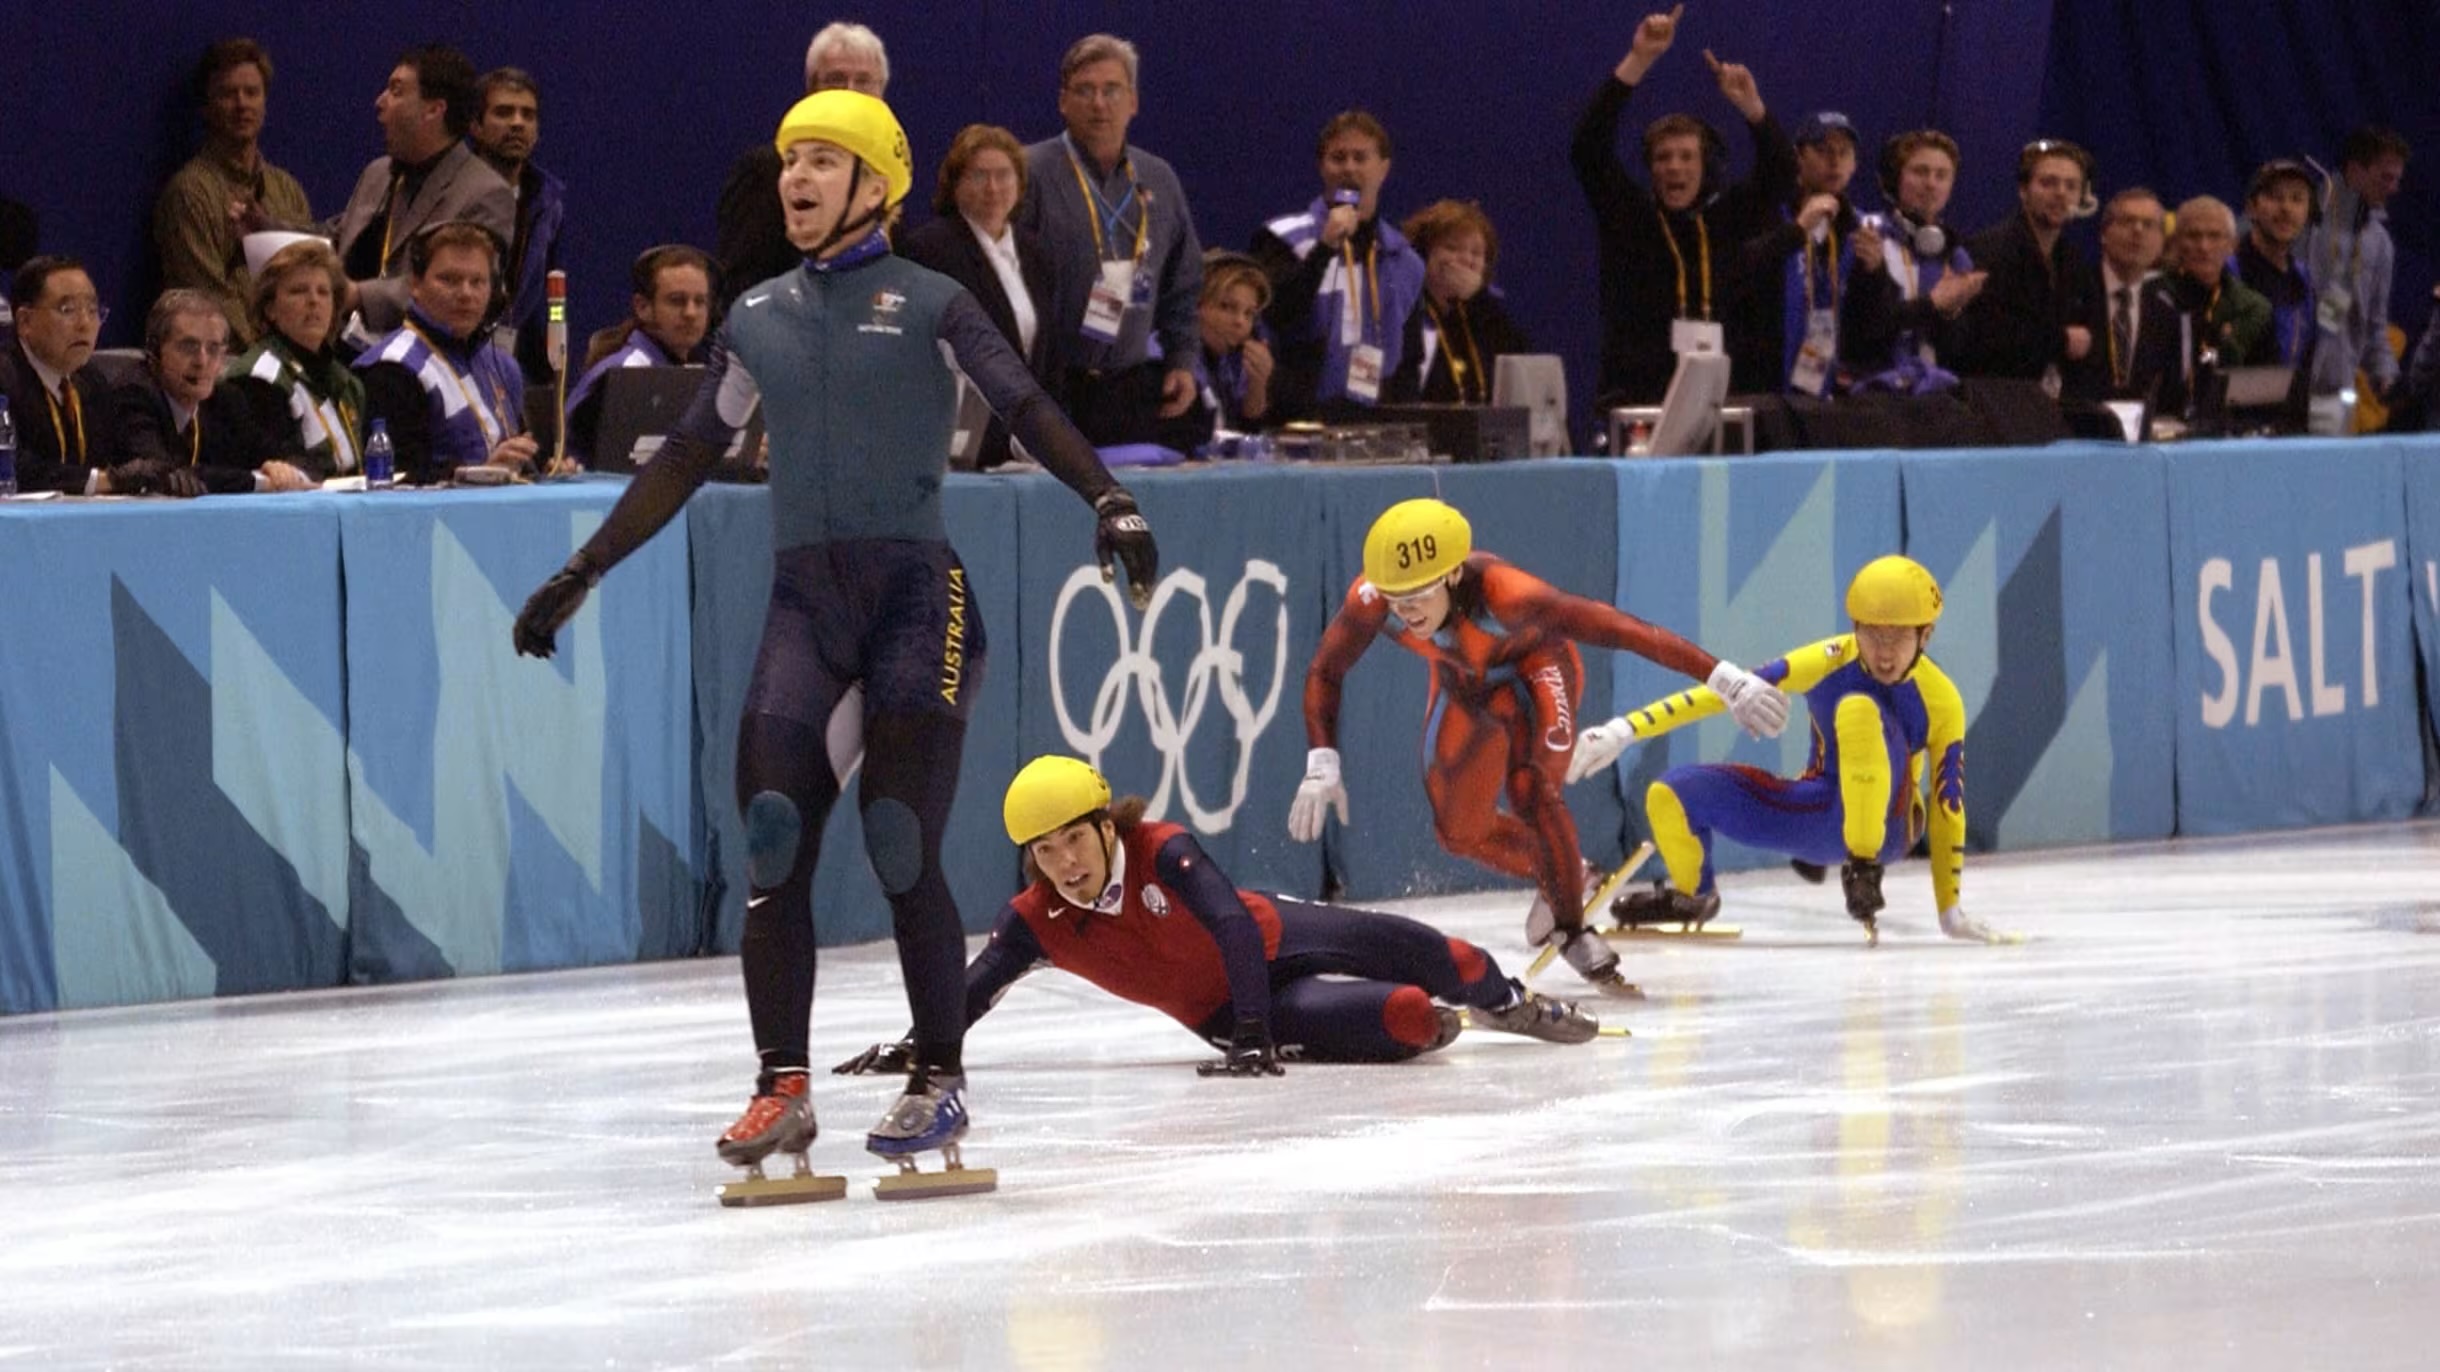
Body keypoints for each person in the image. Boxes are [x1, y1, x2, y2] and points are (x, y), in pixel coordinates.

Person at [509, 91, 1159, 1190]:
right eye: (787, 162)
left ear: (877, 185)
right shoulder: (756, 312)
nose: (794, 180)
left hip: (917, 600)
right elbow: (680, 457)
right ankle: (783, 1085)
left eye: (821, 160)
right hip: (807, 605)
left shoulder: (934, 300)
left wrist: (1110, 500)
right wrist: (585, 566)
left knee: (898, 835)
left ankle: (939, 1070)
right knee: (772, 839)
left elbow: (1026, 402)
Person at [1288, 497, 1789, 998]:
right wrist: (1322, 760)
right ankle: (1572, 871)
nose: (1406, 612)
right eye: (1396, 599)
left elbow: (1623, 630)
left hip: (1536, 675)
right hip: (1464, 687)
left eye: (1418, 594)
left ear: (1455, 574)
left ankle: (1571, 927)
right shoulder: (1372, 599)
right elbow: (1325, 671)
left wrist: (1726, 679)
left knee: (1530, 789)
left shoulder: (1511, 597)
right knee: (1459, 832)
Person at [835, 756, 1599, 1084]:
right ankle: (1448, 1019)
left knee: (1454, 959)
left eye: (1073, 838)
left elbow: (1233, 926)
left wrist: (1259, 1038)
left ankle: (1510, 1004)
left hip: (1275, 938)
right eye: (1044, 851)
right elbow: (974, 989)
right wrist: (920, 1048)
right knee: (1405, 1019)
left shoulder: (1161, 847)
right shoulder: (1035, 919)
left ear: (1106, 826)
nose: (1064, 863)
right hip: (1227, 1012)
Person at [1566, 556, 2001, 946]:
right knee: (1671, 793)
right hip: (1815, 817)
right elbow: (1724, 691)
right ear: (1854, 628)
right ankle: (1692, 896)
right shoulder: (1828, 660)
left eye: (1898, 637)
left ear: (1926, 635)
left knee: (1858, 710)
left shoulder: (1941, 700)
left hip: (1889, 827)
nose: (1884, 653)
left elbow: (1948, 805)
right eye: (1872, 633)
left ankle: (1864, 865)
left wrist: (1950, 910)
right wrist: (1625, 729)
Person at [1570, 6, 1796, 404]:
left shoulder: (1725, 219)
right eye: (1663, 157)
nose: (1674, 167)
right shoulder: (1630, 216)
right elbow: (1588, 148)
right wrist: (1639, 60)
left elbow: (1780, 173)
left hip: (1719, 398)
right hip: (1638, 397)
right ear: (1651, 167)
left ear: (1704, 165)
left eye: (1686, 157)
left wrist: (1752, 108)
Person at [1017, 33, 1206, 445]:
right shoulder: (1028, 172)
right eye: (1084, 90)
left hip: (1128, 387)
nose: (1099, 104)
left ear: (1133, 101)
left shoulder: (1159, 178)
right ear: (1063, 101)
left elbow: (1183, 285)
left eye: (1111, 90)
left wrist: (1182, 360)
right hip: (1051, 385)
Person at [898, 124, 1058, 469]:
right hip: (963, 440)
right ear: (955, 184)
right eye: (979, 176)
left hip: (1028, 443)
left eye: (1004, 175)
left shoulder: (1036, 253)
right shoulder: (931, 249)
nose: (993, 188)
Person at [328, 46, 515, 336]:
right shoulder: (378, 173)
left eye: (396, 91)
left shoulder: (486, 194)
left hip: (423, 359)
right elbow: (336, 236)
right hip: (341, 349)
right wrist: (267, 229)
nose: (380, 102)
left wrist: (358, 295)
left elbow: (455, 285)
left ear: (434, 109)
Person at [1251, 111, 1425, 421]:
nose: (1349, 168)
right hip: (1297, 423)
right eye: (1338, 157)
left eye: (1361, 158)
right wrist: (1325, 248)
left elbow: (1410, 360)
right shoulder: (1284, 239)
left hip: (1377, 430)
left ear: (1383, 169)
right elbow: (1276, 315)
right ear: (1322, 167)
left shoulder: (1404, 260)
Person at [714, 20, 889, 311]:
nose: (850, 91)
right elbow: (742, 289)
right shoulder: (768, 170)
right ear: (812, 90)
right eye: (836, 79)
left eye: (864, 81)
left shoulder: (886, 172)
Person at [153, 39, 313, 346]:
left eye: (252, 93)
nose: (242, 105)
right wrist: (266, 359)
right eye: (228, 94)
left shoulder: (288, 191)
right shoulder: (190, 194)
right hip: (225, 363)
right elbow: (208, 299)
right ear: (206, 106)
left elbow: (309, 281)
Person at [354, 221, 533, 483]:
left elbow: (522, 463)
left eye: (477, 282)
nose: (465, 294)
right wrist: (479, 475)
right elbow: (396, 479)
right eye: (449, 280)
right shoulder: (392, 368)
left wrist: (552, 467)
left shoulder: (502, 365)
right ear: (415, 284)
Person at [113, 288, 313, 495]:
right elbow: (162, 473)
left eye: (214, 348)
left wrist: (286, 471)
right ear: (155, 351)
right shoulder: (135, 395)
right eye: (188, 347)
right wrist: (260, 481)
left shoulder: (226, 401)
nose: (202, 361)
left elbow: (292, 457)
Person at [1840, 130, 1984, 390]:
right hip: (1869, 390)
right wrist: (1933, 305)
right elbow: (1864, 330)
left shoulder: (1955, 255)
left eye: (1942, 175)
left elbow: (1957, 351)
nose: (1931, 184)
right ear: (1894, 180)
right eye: (1920, 172)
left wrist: (1950, 313)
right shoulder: (1867, 235)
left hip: (1930, 393)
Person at [1736, 110, 1862, 396]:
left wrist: (1877, 271)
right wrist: (1798, 229)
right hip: (1764, 385)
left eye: (1844, 152)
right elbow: (1739, 270)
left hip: (1827, 387)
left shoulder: (1859, 230)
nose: (1835, 161)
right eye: (1822, 150)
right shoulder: (1765, 215)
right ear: (1798, 157)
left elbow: (1871, 319)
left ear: (1854, 164)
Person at [1954, 139, 2097, 389]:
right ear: (2023, 190)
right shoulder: (1989, 251)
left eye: (2071, 186)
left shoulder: (2072, 260)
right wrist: (2061, 341)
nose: (2061, 193)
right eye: (2048, 183)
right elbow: (1985, 336)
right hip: (1995, 400)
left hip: (2044, 402)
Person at [559, 245, 716, 469]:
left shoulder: (697, 371)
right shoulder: (627, 373)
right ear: (643, 307)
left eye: (700, 302)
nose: (691, 313)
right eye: (676, 300)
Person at [228, 237, 369, 480]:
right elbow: (280, 469)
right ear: (270, 309)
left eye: (323, 292)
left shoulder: (347, 382)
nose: (314, 301)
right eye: (298, 291)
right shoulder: (259, 378)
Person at [2302, 125, 2410, 431]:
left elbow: (2375, 324)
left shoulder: (2380, 244)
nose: (2393, 188)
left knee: (2331, 473)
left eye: (2397, 179)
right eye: (2385, 177)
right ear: (2354, 170)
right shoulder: (2307, 220)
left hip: (2337, 391)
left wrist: (2386, 376)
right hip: (2287, 385)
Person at [467, 67, 568, 387]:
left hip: (516, 364)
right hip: (458, 354)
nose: (517, 123)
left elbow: (549, 302)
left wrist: (550, 372)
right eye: (503, 112)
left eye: (528, 115)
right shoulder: (453, 191)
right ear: (475, 126)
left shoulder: (548, 201)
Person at [0, 256, 132, 495]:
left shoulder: (92, 382)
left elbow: (119, 455)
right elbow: (12, 466)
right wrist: (100, 481)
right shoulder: (5, 378)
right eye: (67, 310)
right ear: (25, 321)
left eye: (93, 310)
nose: (85, 324)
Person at [1384, 199, 1532, 405]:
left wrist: (1479, 298)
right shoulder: (1404, 308)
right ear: (1424, 255)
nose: (1466, 260)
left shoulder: (1485, 318)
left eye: (1476, 253)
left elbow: (1520, 369)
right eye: (1452, 248)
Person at [2155, 196, 2276, 413]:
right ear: (2176, 243)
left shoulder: (2253, 307)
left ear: (2232, 245)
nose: (2204, 246)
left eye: (2215, 236)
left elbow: (2265, 383)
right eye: (2193, 235)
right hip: (2161, 418)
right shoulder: (2153, 296)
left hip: (2230, 425)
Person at [1154, 249, 1275, 453]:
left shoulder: (1224, 364)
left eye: (1249, 313)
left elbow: (1243, 433)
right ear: (1192, 307)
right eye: (1226, 307)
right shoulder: (1161, 358)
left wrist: (1257, 385)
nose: (1240, 322)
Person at [2067, 188, 2180, 404]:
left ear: (2161, 244)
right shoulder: (2072, 292)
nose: (2137, 231)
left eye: (2149, 225)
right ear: (2103, 234)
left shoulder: (2167, 311)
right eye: (2127, 221)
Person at [2236, 159, 2317, 370]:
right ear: (2251, 208)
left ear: (2308, 212)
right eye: (2274, 197)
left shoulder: (2303, 279)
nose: (2286, 208)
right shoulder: (2227, 272)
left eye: (2297, 199)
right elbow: (2204, 352)